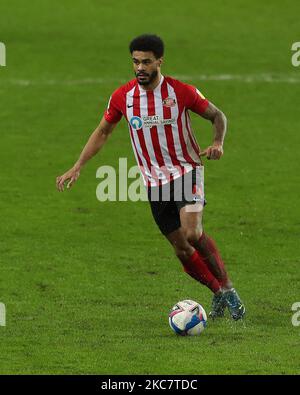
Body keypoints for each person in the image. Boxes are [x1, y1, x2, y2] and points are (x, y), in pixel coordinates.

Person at [56, 34, 245, 320]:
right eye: (135, 62)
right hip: (154, 183)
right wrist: (78, 165)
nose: (140, 67)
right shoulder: (123, 97)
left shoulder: (181, 92)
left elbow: (218, 116)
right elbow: (103, 131)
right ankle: (217, 293)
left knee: (193, 233)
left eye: (146, 62)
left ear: (159, 61)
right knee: (181, 248)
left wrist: (218, 142)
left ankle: (230, 290)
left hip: (186, 171)